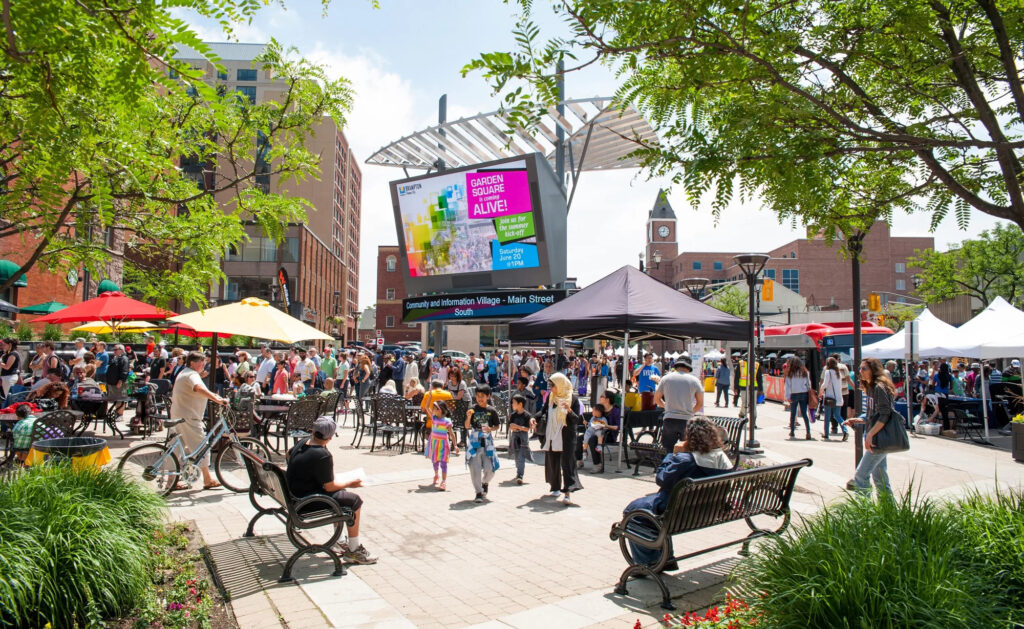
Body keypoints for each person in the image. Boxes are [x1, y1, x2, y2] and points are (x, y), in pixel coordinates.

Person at [621, 417, 732, 567]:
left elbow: (661, 478)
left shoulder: (685, 460)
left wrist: (673, 453)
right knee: (651, 512)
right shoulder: (722, 459)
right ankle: (666, 557)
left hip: (675, 512)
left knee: (633, 512)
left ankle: (648, 562)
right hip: (705, 511)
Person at [285, 416, 377, 564]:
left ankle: (339, 540)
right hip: (307, 502)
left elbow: (288, 455)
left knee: (341, 494)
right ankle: (354, 549)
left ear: (313, 431)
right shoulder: (322, 454)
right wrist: (351, 482)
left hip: (295, 495)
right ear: (330, 437)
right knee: (354, 501)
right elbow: (329, 486)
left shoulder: (302, 443)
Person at [169, 351, 228, 490]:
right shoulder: (192, 375)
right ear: (192, 363)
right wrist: (217, 399)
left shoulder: (184, 373)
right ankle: (207, 479)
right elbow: (198, 388)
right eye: (201, 362)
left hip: (179, 415)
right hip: (189, 417)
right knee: (202, 446)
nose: (204, 365)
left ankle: (171, 481)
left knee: (176, 449)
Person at [845, 358, 897, 496]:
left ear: (873, 370)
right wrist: (861, 419)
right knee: (880, 477)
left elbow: (885, 414)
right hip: (875, 436)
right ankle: (887, 511)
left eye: (864, 368)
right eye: (860, 368)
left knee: (861, 476)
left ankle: (865, 511)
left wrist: (870, 434)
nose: (860, 371)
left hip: (878, 438)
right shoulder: (871, 388)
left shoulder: (879, 388)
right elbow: (874, 413)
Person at [539, 373, 582, 505]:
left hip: (566, 436)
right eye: (550, 385)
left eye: (553, 386)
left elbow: (576, 420)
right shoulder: (551, 398)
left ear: (560, 385)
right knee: (553, 461)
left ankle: (568, 492)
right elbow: (543, 411)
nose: (551, 388)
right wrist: (533, 418)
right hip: (552, 435)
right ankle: (555, 486)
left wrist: (569, 410)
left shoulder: (572, 399)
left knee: (567, 464)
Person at [653, 356, 704, 452]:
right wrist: (690, 412)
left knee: (668, 450)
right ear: (689, 368)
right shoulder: (695, 380)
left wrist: (666, 406)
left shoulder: (666, 378)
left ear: (676, 366)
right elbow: (700, 403)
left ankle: (668, 465)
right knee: (687, 451)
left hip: (669, 418)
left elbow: (656, 399)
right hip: (686, 420)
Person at [465, 384, 500, 503]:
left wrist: (491, 429)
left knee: (490, 468)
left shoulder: (492, 410)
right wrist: (469, 417)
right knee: (474, 467)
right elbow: (466, 426)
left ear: (488, 396)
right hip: (475, 442)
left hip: (488, 442)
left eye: (482, 396)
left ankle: (485, 482)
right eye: (478, 396)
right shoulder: (472, 409)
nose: (480, 398)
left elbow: (497, 426)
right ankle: (478, 492)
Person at [426, 399, 458, 490]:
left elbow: (451, 434)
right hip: (434, 444)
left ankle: (444, 481)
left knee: (443, 463)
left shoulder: (446, 421)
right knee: (435, 461)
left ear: (439, 410)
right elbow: (426, 407)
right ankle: (436, 474)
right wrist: (430, 397)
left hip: (444, 444)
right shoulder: (434, 418)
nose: (432, 410)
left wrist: (455, 445)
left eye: (434, 408)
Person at [508, 393, 535, 485]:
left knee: (521, 457)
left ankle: (520, 475)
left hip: (523, 438)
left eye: (514, 403)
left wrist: (518, 427)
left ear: (520, 404)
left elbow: (527, 429)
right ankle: (518, 472)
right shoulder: (513, 415)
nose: (512, 404)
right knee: (516, 456)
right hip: (515, 437)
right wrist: (514, 427)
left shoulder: (527, 415)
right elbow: (510, 426)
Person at [819, 357, 848, 441]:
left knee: (827, 416)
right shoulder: (838, 372)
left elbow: (825, 384)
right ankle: (845, 430)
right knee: (837, 415)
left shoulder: (828, 372)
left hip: (830, 398)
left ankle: (826, 434)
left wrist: (821, 391)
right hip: (839, 398)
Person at [785, 357, 812, 440]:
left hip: (794, 394)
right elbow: (808, 384)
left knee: (793, 414)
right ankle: (808, 432)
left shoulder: (790, 373)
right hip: (804, 394)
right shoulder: (805, 372)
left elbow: (788, 386)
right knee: (804, 414)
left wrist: (788, 396)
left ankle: (792, 431)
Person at [106, 344, 131, 419]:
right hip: (112, 383)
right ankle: (117, 413)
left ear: (121, 350)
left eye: (115, 350)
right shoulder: (116, 358)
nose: (114, 351)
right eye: (113, 350)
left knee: (120, 399)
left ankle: (120, 415)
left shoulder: (124, 359)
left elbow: (125, 371)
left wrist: (120, 381)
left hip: (119, 383)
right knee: (116, 399)